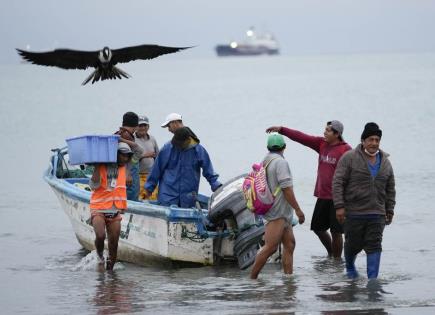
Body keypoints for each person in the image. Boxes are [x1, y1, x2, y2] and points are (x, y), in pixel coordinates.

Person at [266, 121, 351, 258]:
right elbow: (302, 137)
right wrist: (282, 130)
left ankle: (336, 261)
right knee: (317, 228)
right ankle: (331, 253)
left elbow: (354, 172)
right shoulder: (321, 144)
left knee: (336, 232)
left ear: (337, 134)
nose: (325, 132)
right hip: (323, 196)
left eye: (328, 131)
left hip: (339, 197)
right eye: (325, 129)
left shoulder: (345, 150)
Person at [333, 122, 396, 279]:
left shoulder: (386, 162)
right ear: (363, 141)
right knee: (353, 245)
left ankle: (372, 281)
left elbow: (390, 188)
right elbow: (338, 182)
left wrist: (390, 209)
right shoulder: (350, 158)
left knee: (375, 245)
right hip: (354, 213)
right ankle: (350, 267)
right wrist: (339, 206)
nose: (374, 143)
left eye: (377, 140)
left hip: (377, 213)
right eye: (370, 139)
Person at [250, 133, 305, 279]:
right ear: (284, 147)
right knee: (270, 247)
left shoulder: (266, 161)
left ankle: (288, 280)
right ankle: (252, 279)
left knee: (290, 245)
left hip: (280, 212)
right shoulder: (281, 163)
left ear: (268, 147)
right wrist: (299, 210)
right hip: (277, 213)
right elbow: (286, 189)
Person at [144, 127, 221, 208]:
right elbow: (157, 169)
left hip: (188, 195)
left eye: (180, 144)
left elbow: (208, 169)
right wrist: (149, 187)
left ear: (188, 140)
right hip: (168, 193)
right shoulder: (168, 148)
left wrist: (216, 185)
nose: (178, 146)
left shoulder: (198, 150)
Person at [89, 142, 133, 270]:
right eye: (122, 155)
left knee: (114, 243)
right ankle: (100, 257)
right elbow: (93, 186)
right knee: (101, 235)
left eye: (127, 156)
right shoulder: (101, 166)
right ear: (115, 155)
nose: (125, 158)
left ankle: (111, 272)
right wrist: (97, 166)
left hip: (115, 210)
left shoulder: (124, 168)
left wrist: (121, 138)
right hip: (99, 208)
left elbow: (139, 151)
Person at [115, 111, 143, 201]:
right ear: (135, 126)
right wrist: (128, 174)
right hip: (129, 172)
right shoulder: (126, 136)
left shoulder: (119, 133)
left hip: (126, 170)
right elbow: (125, 157)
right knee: (131, 194)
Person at [134, 115, 159, 200]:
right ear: (136, 127)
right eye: (140, 125)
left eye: (145, 125)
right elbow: (129, 159)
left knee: (153, 198)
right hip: (138, 175)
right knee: (140, 198)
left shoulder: (152, 139)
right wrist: (145, 155)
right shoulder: (132, 139)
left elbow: (157, 156)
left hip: (151, 176)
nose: (143, 128)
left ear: (148, 127)